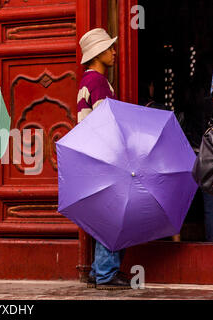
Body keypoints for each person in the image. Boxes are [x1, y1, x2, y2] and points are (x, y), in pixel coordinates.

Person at [77, 28, 131, 290]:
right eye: (110, 48)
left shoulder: (87, 81)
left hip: (91, 155)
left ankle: (99, 270)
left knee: (104, 212)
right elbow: (104, 123)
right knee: (112, 214)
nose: (114, 52)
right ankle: (107, 273)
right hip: (105, 155)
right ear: (98, 53)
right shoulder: (98, 82)